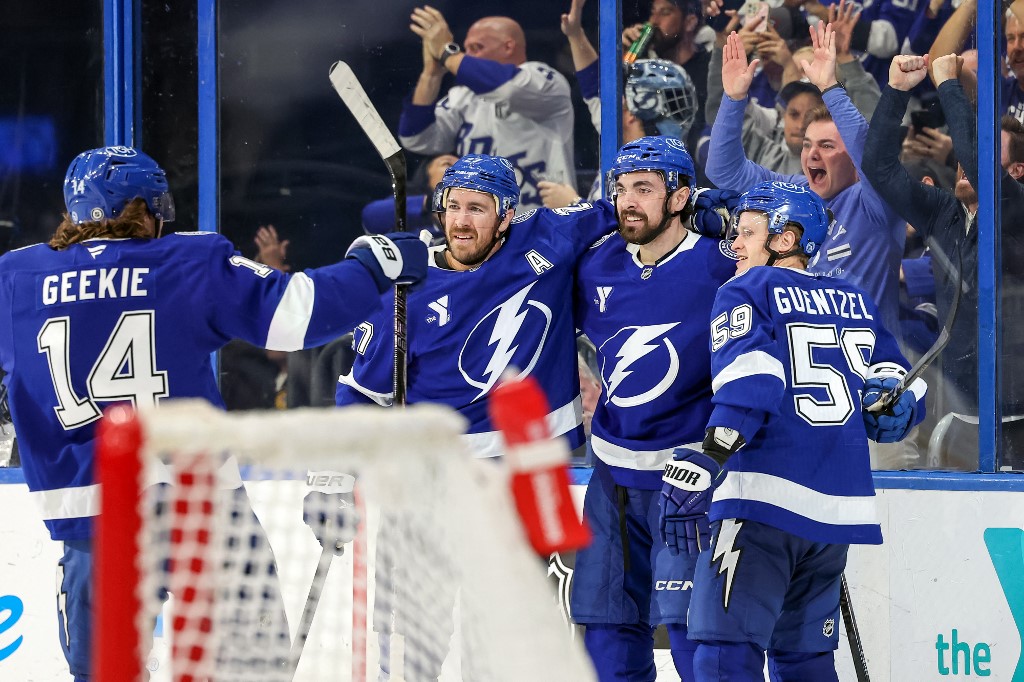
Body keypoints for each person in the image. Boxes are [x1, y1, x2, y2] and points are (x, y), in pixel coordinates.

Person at [0, 145, 428, 681]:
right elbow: (297, 315)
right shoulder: (187, 260)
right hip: (200, 510)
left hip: (94, 524)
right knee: (256, 669)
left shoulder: (15, 278)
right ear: (148, 207)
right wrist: (374, 264)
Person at [661, 180, 925, 680]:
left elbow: (752, 386)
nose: (734, 244)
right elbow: (900, 389)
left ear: (784, 240)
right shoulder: (853, 298)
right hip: (836, 514)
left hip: (762, 502)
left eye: (747, 232)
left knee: (724, 653)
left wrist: (710, 458)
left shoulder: (745, 289)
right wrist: (897, 410)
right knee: (804, 659)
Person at [570, 136, 738, 682]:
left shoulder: (720, 265)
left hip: (688, 479)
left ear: (681, 196)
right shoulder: (596, 265)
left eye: (644, 189)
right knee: (607, 636)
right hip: (612, 478)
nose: (628, 202)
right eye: (621, 189)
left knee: (696, 640)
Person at [863, 52, 1024, 469]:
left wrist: (948, 85)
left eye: (990, 155)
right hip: (957, 412)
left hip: (1019, 417)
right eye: (965, 157)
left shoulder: (1018, 211)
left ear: (1018, 171)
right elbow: (879, 169)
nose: (965, 166)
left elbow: (982, 170)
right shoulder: (942, 212)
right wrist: (897, 91)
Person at [707, 21, 906, 337]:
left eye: (827, 146)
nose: (812, 154)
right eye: (808, 145)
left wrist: (830, 88)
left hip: (871, 367)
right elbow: (724, 172)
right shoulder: (797, 193)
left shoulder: (876, 203)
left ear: (854, 159)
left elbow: (872, 155)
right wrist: (733, 99)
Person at [398, 6, 575, 211]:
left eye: (476, 47)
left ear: (508, 47)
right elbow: (416, 137)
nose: (467, 56)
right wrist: (431, 74)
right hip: (487, 229)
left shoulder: (542, 77)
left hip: (544, 224)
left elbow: (506, 88)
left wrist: (447, 53)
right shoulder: (463, 96)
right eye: (466, 49)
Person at [360, 153, 458, 240]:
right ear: (426, 174)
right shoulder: (411, 204)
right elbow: (372, 216)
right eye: (447, 164)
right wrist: (430, 203)